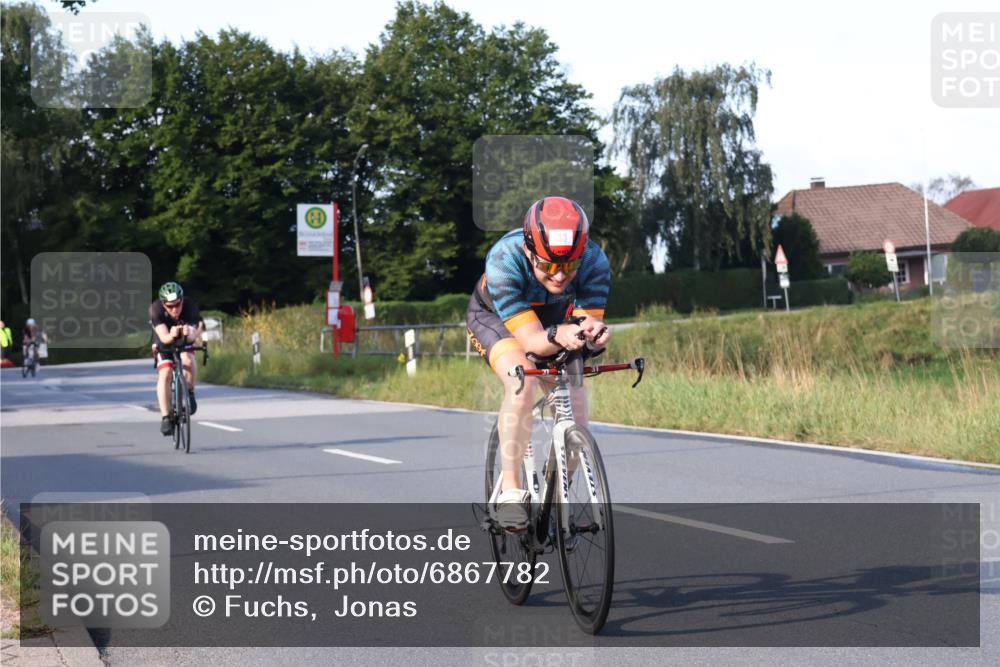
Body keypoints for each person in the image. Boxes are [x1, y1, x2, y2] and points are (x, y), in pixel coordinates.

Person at [467, 196, 611, 530]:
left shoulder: (594, 260)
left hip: (555, 317)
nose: (559, 276)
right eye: (548, 265)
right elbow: (532, 341)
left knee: (576, 407)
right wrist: (560, 333)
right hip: (495, 319)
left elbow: (586, 320)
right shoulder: (504, 259)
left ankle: (556, 493)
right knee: (523, 380)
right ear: (529, 251)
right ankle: (511, 490)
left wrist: (594, 334)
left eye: (569, 266)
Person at [150, 282, 204, 436]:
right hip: (164, 339)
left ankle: (190, 392)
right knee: (166, 372)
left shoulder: (189, 306)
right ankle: (166, 417)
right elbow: (164, 338)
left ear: (182, 300)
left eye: (177, 304)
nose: (175, 309)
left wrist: (189, 333)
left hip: (185, 338)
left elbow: (194, 335)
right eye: (170, 306)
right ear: (163, 304)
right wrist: (172, 334)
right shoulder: (155, 309)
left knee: (188, 359)